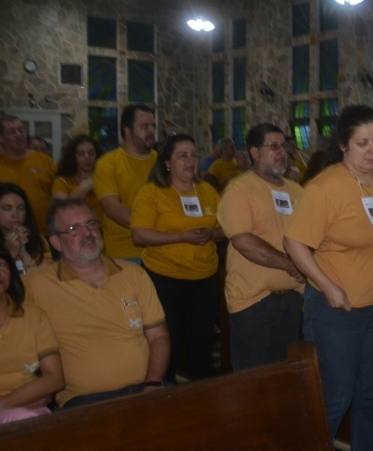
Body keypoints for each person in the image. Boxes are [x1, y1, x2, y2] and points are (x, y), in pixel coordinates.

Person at [284, 106, 373, 451]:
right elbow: (295, 243)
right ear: (342, 146)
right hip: (338, 311)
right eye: (362, 144)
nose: (372, 151)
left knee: (372, 394)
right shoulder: (326, 187)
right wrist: (328, 286)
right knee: (335, 396)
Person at [24, 199, 170, 408]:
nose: (87, 233)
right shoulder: (36, 284)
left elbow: (159, 336)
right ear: (56, 243)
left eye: (91, 224)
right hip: (83, 400)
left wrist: (153, 384)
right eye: (74, 228)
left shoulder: (133, 274)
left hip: (144, 389)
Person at [130, 135, 222, 383]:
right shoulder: (152, 193)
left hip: (204, 278)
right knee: (168, 340)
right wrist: (181, 237)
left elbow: (227, 226)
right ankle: (166, 391)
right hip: (165, 279)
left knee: (202, 341)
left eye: (193, 155)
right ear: (167, 163)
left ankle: (204, 393)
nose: (190, 161)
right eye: (183, 155)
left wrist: (212, 233)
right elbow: (139, 234)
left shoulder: (208, 191)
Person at [218, 124, 305, 371]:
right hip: (253, 302)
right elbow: (243, 241)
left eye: (284, 147)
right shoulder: (240, 190)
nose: (282, 153)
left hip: (291, 300)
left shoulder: (297, 191)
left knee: (283, 378)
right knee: (253, 382)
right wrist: (291, 263)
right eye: (273, 146)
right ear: (255, 153)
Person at [0, 246, 64, 423]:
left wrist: (7, 404)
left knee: (23, 419)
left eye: (2, 265)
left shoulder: (33, 316)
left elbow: (54, 378)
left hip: (28, 410)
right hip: (25, 407)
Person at [94, 104, 157, 262]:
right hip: (124, 254)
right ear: (127, 131)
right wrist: (161, 227)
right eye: (144, 126)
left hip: (160, 251)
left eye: (153, 126)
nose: (151, 131)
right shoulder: (108, 163)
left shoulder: (162, 161)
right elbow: (113, 209)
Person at [0, 115, 56, 236]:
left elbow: (58, 192)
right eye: (12, 132)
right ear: (1, 138)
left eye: (21, 130)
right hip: (6, 235)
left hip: (45, 233)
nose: (19, 135)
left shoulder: (44, 160)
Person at [51, 134, 106, 229]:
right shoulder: (62, 182)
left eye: (91, 153)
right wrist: (84, 188)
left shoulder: (106, 178)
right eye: (81, 154)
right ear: (73, 157)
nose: (87, 157)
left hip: (107, 233)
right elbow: (61, 211)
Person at [0, 183, 52, 274]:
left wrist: (24, 253)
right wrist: (10, 256)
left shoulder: (38, 240)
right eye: (7, 208)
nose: (15, 214)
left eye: (21, 208)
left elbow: (44, 282)